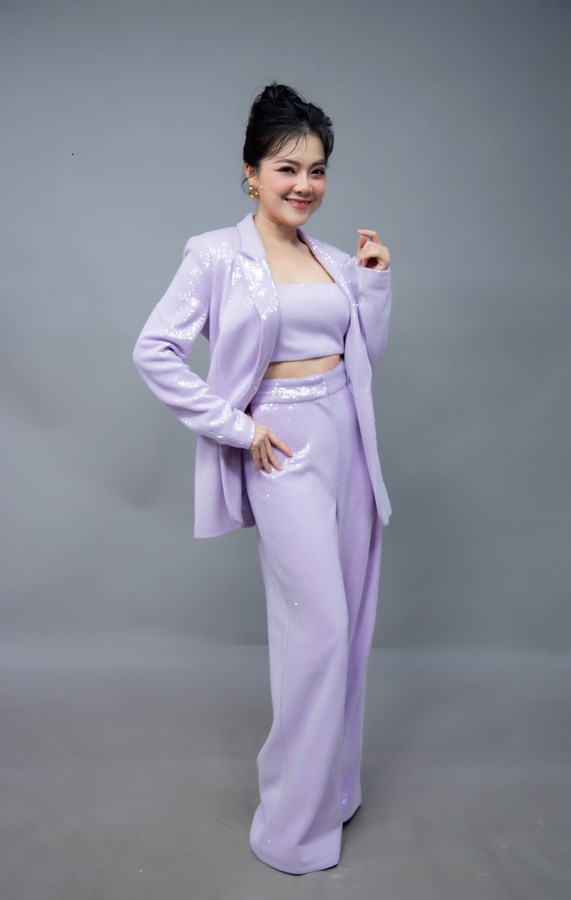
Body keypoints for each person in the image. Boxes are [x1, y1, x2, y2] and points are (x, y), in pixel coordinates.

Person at [132, 82, 393, 875]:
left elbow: (364, 362)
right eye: (286, 168)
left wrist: (374, 285)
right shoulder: (215, 254)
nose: (303, 185)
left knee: (351, 625)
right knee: (319, 630)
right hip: (283, 449)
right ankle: (290, 827)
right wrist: (239, 429)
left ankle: (333, 793)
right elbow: (155, 351)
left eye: (316, 170)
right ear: (250, 173)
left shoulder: (336, 261)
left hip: (348, 442)